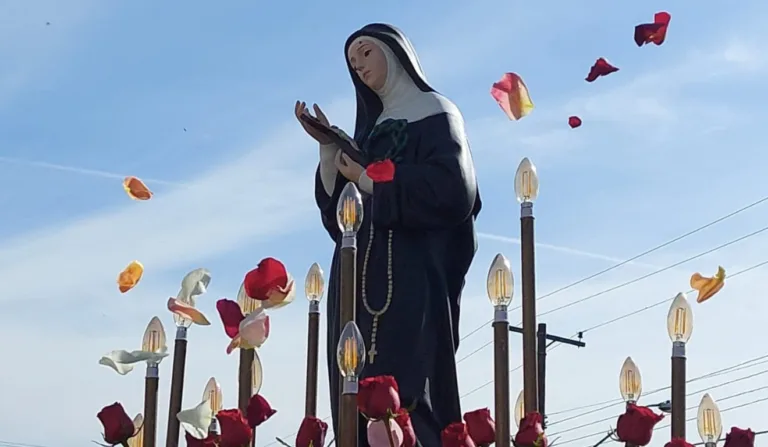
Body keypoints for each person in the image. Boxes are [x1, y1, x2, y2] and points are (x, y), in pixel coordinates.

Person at [294, 23, 481, 446]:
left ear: (395, 54)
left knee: (411, 388)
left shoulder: (436, 111)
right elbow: (338, 217)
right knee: (355, 392)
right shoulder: (371, 130)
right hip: (357, 281)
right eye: (352, 61)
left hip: (412, 276)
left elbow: (454, 188)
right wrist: (329, 149)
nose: (358, 65)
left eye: (365, 52)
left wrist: (371, 181)